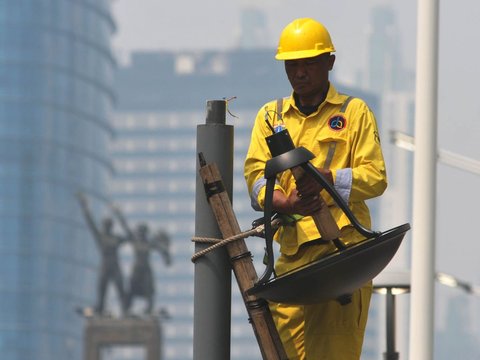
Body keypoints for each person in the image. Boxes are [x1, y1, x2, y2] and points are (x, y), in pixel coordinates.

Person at [244, 18, 387, 359]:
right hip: (293, 262)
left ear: (330, 62)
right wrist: (286, 201)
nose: (300, 72)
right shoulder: (270, 116)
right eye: (292, 65)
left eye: (308, 63)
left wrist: (327, 179)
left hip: (341, 256)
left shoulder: (353, 113)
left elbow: (376, 177)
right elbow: (255, 178)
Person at [77, 193, 128, 315]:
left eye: (108, 225)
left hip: (115, 267)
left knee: (121, 291)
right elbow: (91, 223)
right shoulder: (101, 237)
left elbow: (129, 236)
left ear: (110, 226)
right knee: (101, 293)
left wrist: (119, 215)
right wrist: (85, 207)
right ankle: (99, 309)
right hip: (105, 267)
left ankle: (125, 310)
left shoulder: (116, 238)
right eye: (105, 225)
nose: (105, 227)